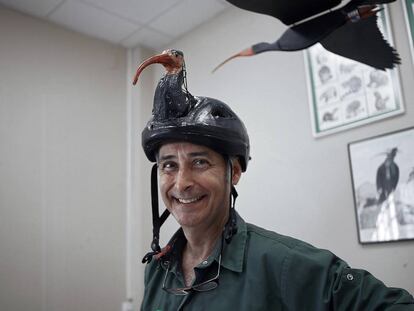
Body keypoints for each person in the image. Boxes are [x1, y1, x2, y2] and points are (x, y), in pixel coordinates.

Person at [134, 50, 414, 310]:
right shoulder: (156, 272)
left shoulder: (285, 264)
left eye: (200, 162)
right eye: (169, 165)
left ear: (234, 172)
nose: (181, 183)